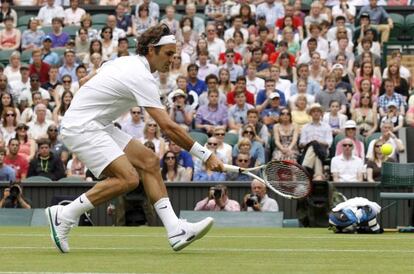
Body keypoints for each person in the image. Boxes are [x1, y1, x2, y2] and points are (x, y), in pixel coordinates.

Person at [45, 24, 224, 253]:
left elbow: (84, 81)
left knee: (149, 161)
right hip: (82, 127)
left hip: (96, 123)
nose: (172, 60)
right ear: (151, 50)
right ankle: (65, 214)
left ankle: (175, 229)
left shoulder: (123, 61)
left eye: (174, 54)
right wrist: (206, 154)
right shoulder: (141, 77)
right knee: (128, 179)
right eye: (168, 54)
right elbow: (168, 127)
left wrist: (94, 104)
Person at [299, 103, 333, 180]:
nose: (316, 113)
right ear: (311, 113)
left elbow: (329, 143)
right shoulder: (305, 127)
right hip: (308, 150)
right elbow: (301, 143)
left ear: (321, 113)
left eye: (318, 111)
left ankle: (305, 168)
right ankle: (318, 176)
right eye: (314, 111)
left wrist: (317, 142)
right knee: (313, 147)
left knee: (315, 145)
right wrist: (311, 143)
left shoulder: (326, 126)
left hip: (323, 150)